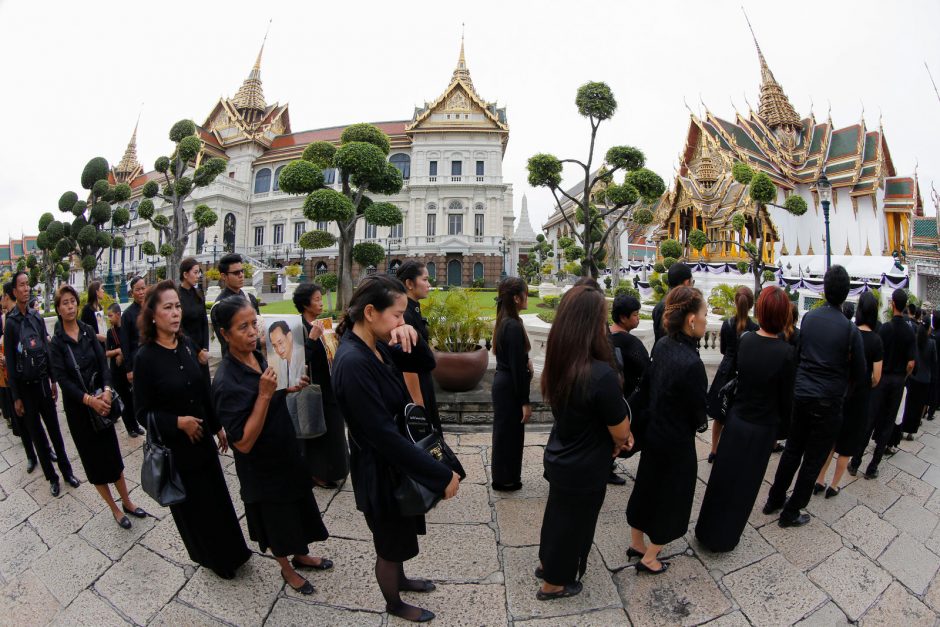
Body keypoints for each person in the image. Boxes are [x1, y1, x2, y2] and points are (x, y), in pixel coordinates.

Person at [332, 275, 460, 623]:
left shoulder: (375, 345)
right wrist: (438, 474)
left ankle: (401, 580)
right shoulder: (353, 361)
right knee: (389, 543)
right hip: (378, 467)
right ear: (370, 312)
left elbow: (426, 365)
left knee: (400, 531)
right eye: (398, 316)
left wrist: (412, 337)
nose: (401, 322)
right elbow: (382, 436)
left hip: (393, 463)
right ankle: (393, 602)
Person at [212, 297, 331, 595]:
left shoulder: (257, 357)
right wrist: (265, 395)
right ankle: (287, 569)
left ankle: (300, 554)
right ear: (225, 334)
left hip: (284, 447)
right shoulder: (226, 381)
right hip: (261, 465)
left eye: (254, 324)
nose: (253, 332)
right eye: (243, 327)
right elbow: (243, 441)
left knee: (297, 506)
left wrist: (285, 387)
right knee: (276, 519)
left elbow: (270, 390)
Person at [133, 280, 251, 579]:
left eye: (177, 306)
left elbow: (203, 391)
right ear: (152, 314)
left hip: (203, 445)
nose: (175, 313)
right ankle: (215, 559)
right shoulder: (145, 358)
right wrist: (177, 423)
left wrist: (217, 426)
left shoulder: (185, 344)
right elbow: (142, 413)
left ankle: (235, 551)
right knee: (196, 510)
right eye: (168, 308)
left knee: (218, 499)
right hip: (177, 452)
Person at [536, 286, 632, 600]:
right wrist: (623, 438)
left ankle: (547, 563)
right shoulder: (600, 374)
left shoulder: (561, 361)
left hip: (563, 451)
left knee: (558, 514)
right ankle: (555, 581)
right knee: (574, 523)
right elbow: (619, 430)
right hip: (586, 461)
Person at [762, 265, 865, 527]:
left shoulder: (810, 319)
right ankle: (791, 510)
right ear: (845, 293)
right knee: (813, 458)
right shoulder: (849, 330)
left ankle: (774, 499)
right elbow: (860, 372)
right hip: (828, 401)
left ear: (824, 289)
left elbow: (799, 354)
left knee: (793, 450)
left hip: (803, 393)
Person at [695, 286, 795, 551]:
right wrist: (782, 431)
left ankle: (706, 530)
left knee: (723, 478)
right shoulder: (785, 354)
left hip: (737, 420)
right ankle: (725, 537)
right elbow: (786, 400)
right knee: (745, 484)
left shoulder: (746, 340)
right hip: (762, 428)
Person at [49, 285, 146, 529]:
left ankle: (127, 501)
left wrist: (105, 389)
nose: (70, 306)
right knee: (94, 462)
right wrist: (88, 400)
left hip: (102, 401)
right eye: (65, 303)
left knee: (113, 456)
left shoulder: (88, 331)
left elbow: (103, 363)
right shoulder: (57, 343)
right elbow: (63, 380)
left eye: (73, 301)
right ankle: (113, 508)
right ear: (58, 309)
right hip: (80, 410)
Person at [626, 286, 708, 574]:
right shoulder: (692, 364)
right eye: (704, 314)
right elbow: (699, 413)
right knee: (673, 496)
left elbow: (647, 388)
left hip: (654, 434)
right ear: (691, 321)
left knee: (647, 486)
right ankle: (650, 556)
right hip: (675, 441)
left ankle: (637, 542)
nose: (706, 320)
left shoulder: (662, 346)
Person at [4, 271, 78, 496]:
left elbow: (45, 350)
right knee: (36, 433)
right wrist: (16, 396)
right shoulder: (11, 323)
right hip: (25, 388)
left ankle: (66, 471)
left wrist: (54, 380)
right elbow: (10, 358)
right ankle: (52, 477)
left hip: (44, 384)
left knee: (55, 430)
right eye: (22, 286)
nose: (26, 289)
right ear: (14, 291)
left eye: (28, 285)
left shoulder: (36, 317)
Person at [815, 292, 883, 497]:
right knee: (847, 444)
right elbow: (877, 377)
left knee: (831, 439)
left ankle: (819, 479)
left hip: (840, 390)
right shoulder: (877, 340)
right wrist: (864, 382)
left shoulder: (849, 331)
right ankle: (834, 485)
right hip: (860, 397)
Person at [849, 289, 916, 478]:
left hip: (883, 378)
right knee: (887, 423)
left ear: (893, 303)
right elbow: (911, 363)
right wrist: (904, 376)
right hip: (897, 380)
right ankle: (873, 467)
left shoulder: (885, 329)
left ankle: (855, 462)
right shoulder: (909, 332)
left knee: (869, 420)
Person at [293, 283, 348, 487]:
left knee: (334, 428)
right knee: (316, 430)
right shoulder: (298, 327)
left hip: (329, 384)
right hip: (312, 388)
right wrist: (312, 339)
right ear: (305, 303)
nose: (320, 302)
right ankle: (318, 472)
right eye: (316, 299)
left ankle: (335, 469)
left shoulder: (323, 324)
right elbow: (297, 362)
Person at [491, 277, 533, 491]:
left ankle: (503, 476)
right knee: (510, 435)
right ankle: (506, 479)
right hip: (509, 386)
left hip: (503, 383)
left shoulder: (505, 320)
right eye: (525, 293)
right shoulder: (513, 325)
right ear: (517, 298)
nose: (527, 297)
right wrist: (524, 401)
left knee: (504, 433)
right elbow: (517, 368)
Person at [706, 286, 758, 461]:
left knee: (720, 415)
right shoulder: (755, 328)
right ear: (751, 305)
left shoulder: (727, 324)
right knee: (739, 415)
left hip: (726, 371)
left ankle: (714, 450)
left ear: (736, 302)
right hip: (744, 373)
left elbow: (723, 350)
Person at [396, 261, 441, 433]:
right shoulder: (405, 313)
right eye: (425, 279)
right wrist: (418, 404)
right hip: (416, 386)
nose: (429, 284)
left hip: (424, 380)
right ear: (409, 283)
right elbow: (407, 363)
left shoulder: (413, 308)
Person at [608, 293, 648, 484]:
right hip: (628, 398)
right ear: (623, 317)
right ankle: (607, 467)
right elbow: (647, 370)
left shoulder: (606, 336)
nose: (638, 318)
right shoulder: (632, 343)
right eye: (635, 315)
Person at [0, 280, 37, 473]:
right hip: (13, 377)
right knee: (22, 420)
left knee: (34, 419)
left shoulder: (22, 316)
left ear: (8, 296)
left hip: (28, 373)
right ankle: (31, 454)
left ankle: (41, 451)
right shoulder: (8, 318)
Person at [104, 303, 143, 436]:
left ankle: (136, 425)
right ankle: (130, 428)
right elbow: (106, 352)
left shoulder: (127, 329)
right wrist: (118, 351)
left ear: (118, 314)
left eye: (111, 315)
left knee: (133, 399)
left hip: (129, 368)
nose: (109, 319)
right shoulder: (111, 333)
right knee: (124, 400)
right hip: (117, 371)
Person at [210, 253, 261, 355]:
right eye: (236, 273)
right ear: (224, 276)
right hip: (235, 363)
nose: (241, 275)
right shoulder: (219, 307)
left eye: (242, 271)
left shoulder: (250, 298)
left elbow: (259, 328)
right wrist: (261, 342)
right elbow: (228, 343)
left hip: (256, 358)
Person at [898, 322, 935, 440]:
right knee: (918, 407)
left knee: (907, 404)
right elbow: (934, 361)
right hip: (925, 379)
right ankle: (911, 432)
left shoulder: (914, 340)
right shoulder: (931, 343)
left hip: (912, 376)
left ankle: (902, 428)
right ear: (929, 328)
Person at [178, 258, 211, 379]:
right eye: (195, 272)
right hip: (186, 347)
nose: (198, 275)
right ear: (185, 274)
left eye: (199, 272)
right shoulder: (177, 296)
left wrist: (205, 348)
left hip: (202, 349)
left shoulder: (199, 294)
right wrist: (197, 351)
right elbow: (180, 327)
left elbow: (204, 322)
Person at [651, 263, 693, 344]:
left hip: (659, 352)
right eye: (692, 282)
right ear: (687, 282)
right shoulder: (682, 306)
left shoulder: (659, 305)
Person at [120, 277, 147, 384]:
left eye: (143, 288)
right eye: (137, 290)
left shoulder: (151, 309)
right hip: (136, 360)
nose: (141, 292)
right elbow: (125, 343)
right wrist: (129, 369)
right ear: (132, 292)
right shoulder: (127, 315)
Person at [268, 321, 306, 388]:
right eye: (274, 346)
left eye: (280, 342)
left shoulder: (301, 354)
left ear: (289, 336)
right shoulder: (282, 359)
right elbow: (283, 385)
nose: (279, 350)